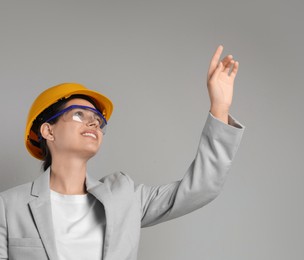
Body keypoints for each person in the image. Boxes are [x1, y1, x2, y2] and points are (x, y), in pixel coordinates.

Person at [0, 45, 245, 260]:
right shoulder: (8, 206)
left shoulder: (123, 197)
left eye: (98, 119)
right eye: (78, 114)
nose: (93, 123)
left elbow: (201, 188)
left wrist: (219, 108)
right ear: (48, 131)